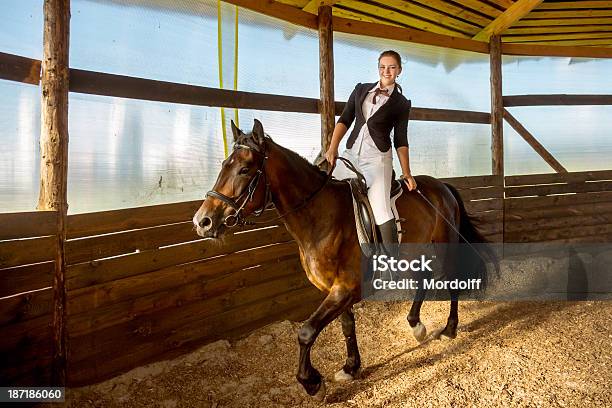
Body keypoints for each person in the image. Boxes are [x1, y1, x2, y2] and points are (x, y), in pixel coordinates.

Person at [325, 50, 416, 246]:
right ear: (378, 68)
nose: (387, 71)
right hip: (350, 156)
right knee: (328, 195)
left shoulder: (401, 103)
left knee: (381, 209)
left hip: (377, 160)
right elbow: (345, 119)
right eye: (383, 67)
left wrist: (407, 173)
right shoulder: (360, 90)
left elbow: (401, 139)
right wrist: (333, 149)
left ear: (399, 70)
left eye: (392, 67)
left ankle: (390, 267)